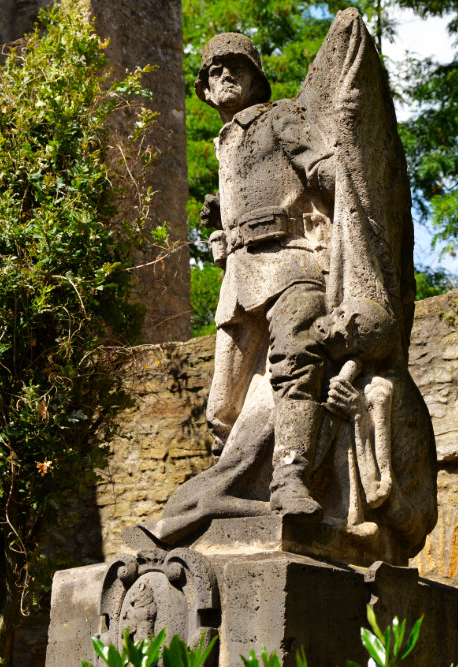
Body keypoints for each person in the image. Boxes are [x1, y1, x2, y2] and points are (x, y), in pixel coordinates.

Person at [195, 33, 337, 518]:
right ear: (206, 91)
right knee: (222, 411)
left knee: (296, 365)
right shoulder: (225, 140)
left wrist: (345, 179)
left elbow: (320, 167)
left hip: (290, 262)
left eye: (235, 65)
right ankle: (225, 497)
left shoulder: (280, 115)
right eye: (214, 71)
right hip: (238, 279)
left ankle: (290, 480)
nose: (225, 74)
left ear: (256, 78)